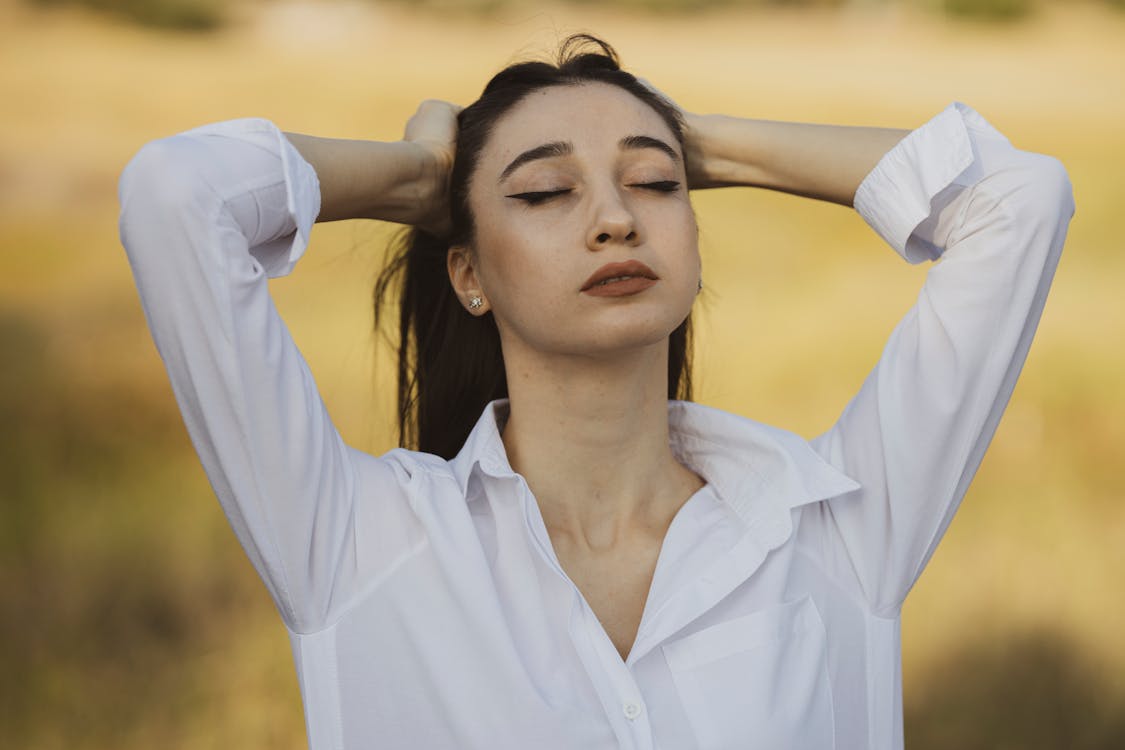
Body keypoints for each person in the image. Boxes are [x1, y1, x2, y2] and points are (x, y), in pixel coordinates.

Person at [118, 34, 1073, 750]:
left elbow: (1018, 200)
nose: (615, 218)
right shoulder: (360, 544)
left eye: (655, 184)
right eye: (542, 194)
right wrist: (419, 173)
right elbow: (176, 194)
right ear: (467, 274)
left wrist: (704, 143)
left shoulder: (833, 531)